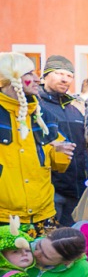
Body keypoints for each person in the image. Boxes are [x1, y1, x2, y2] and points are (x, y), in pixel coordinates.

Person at [0, 53, 74, 238]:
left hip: (43, 216)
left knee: (45, 267)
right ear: (12, 77)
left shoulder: (43, 116)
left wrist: (59, 152)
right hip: (5, 218)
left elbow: (58, 165)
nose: (36, 78)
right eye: (29, 73)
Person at [38, 55, 88, 227]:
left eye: (69, 76)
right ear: (45, 75)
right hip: (50, 189)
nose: (65, 79)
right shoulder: (36, 106)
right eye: (59, 73)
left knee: (71, 244)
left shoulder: (74, 109)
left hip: (76, 190)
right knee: (48, 243)